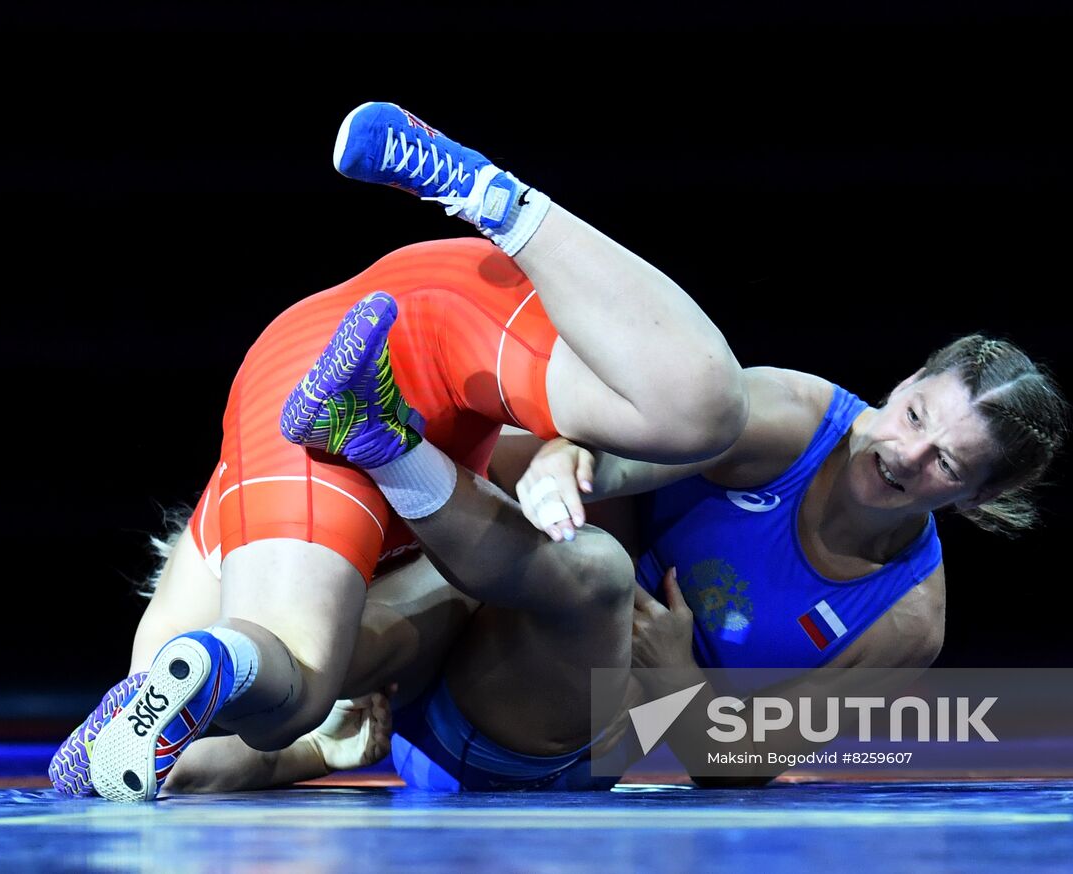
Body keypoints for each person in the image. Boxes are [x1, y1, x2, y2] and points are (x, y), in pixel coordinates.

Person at [60, 102, 749, 802]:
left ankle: (490, 229)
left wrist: (311, 746)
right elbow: (741, 761)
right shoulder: (798, 437)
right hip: (421, 327)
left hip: (346, 358)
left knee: (305, 680)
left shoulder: (256, 570)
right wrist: (678, 685)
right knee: (678, 450)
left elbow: (745, 762)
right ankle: (481, 238)